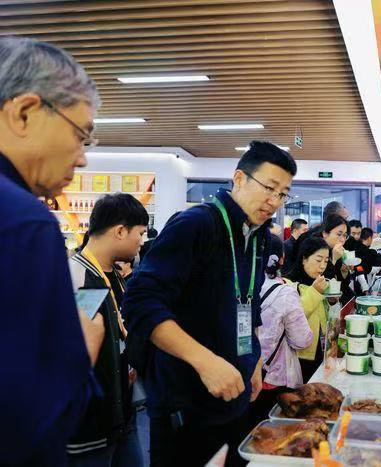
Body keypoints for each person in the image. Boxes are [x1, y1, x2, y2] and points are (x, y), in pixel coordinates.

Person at [121, 141, 297, 466]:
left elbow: (247, 303)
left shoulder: (257, 236)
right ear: (239, 179)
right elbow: (139, 302)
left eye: (283, 194)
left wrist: (254, 357)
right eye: (269, 188)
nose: (274, 201)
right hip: (186, 407)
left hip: (234, 399)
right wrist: (205, 362)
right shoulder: (196, 225)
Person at [0, 36, 105, 465]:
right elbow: (34, 415)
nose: (82, 159)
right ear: (24, 112)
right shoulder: (23, 221)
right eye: (81, 135)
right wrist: (83, 346)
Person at [67, 193, 148, 467]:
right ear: (120, 231)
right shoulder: (77, 276)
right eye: (140, 233)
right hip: (90, 424)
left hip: (121, 412)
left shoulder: (115, 275)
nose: (142, 241)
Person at [248, 235, 313, 430]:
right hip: (274, 379)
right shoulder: (285, 293)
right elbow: (302, 340)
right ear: (281, 260)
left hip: (243, 375)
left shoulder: (239, 287)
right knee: (276, 434)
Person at [283, 237, 330, 383]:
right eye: (318, 260)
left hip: (321, 351)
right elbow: (295, 317)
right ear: (304, 259)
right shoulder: (288, 284)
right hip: (299, 356)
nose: (322, 266)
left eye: (326, 261)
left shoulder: (320, 283)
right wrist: (315, 291)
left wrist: (331, 302)